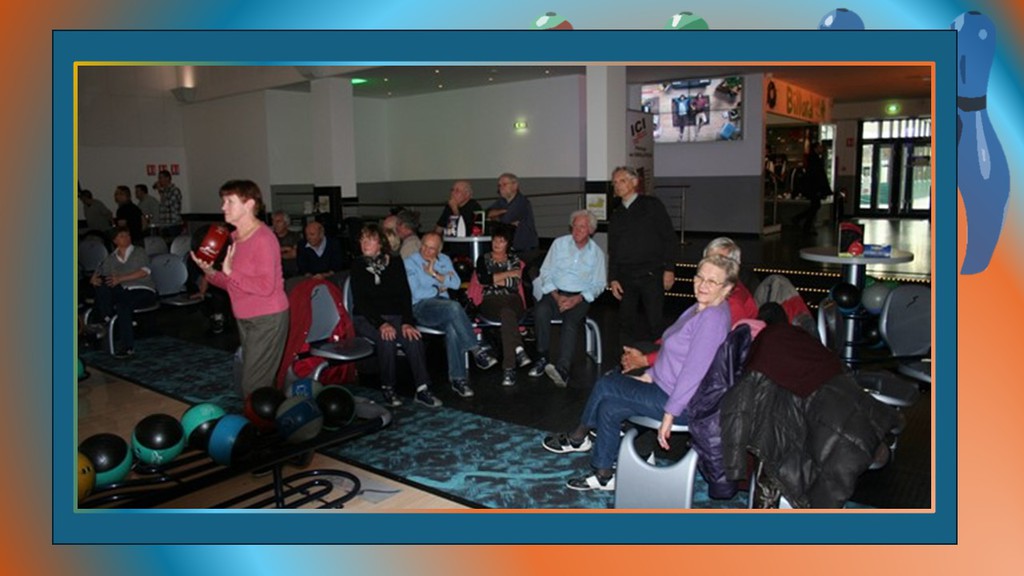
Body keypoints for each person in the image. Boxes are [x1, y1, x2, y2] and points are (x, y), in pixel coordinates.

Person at [542, 254, 736, 491]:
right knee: (610, 407)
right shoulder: (700, 308)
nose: (703, 285)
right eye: (700, 277)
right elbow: (674, 355)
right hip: (665, 388)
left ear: (726, 288)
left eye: (712, 281)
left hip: (680, 402)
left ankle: (578, 437)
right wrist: (650, 374)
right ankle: (604, 474)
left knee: (607, 384)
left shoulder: (711, 319)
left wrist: (670, 414)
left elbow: (694, 373)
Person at [190, 180, 289, 397]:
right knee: (260, 382)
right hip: (245, 317)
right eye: (223, 201)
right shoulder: (233, 238)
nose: (223, 207)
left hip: (267, 319)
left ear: (249, 204)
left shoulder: (263, 238)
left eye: (229, 201)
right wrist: (209, 271)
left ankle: (265, 417)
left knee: (253, 386)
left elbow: (265, 287)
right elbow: (232, 285)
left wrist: (230, 271)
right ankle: (272, 415)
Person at [350, 223, 441, 408]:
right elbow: (361, 302)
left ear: (380, 244)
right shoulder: (358, 265)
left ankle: (422, 388)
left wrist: (407, 322)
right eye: (363, 240)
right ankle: (388, 387)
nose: (365, 244)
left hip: (395, 316)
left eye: (370, 240)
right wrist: (381, 324)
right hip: (367, 318)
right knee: (387, 337)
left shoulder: (396, 263)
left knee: (413, 337)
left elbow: (404, 295)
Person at [405, 232, 498, 398]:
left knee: (453, 328)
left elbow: (455, 284)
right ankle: (476, 350)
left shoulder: (444, 260)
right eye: (424, 246)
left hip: (443, 306)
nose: (426, 251)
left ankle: (458, 380)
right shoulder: (410, 262)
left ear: (438, 250)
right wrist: (437, 287)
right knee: (454, 307)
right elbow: (417, 293)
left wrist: (434, 274)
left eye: (431, 248)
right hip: (421, 307)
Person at [527, 210, 606, 388]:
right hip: (555, 292)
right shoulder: (559, 244)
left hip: (579, 297)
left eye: (582, 227)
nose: (577, 230)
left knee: (570, 322)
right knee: (541, 311)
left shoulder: (597, 254)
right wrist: (556, 296)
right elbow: (546, 271)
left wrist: (577, 299)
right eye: (574, 226)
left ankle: (562, 369)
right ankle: (542, 357)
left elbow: (599, 284)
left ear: (591, 230)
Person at [607, 166, 677, 346]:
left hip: (651, 273)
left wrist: (669, 269)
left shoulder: (651, 205)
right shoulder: (617, 214)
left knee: (655, 321)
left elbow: (669, 237)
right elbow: (613, 249)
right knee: (626, 322)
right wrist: (613, 278)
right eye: (615, 182)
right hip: (626, 276)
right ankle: (626, 357)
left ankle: (660, 358)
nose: (617, 186)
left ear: (635, 182)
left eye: (622, 181)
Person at [474, 223, 532, 386]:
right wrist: (508, 274)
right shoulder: (483, 259)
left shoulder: (514, 259)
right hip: (490, 302)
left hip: (513, 300)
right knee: (507, 313)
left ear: (508, 244)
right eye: (495, 240)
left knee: (508, 309)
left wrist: (494, 279)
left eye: (501, 241)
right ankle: (516, 354)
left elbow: (514, 284)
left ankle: (510, 367)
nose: (497, 244)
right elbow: (483, 280)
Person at [88, 226, 158, 358]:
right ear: (115, 240)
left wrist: (120, 278)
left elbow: (144, 272)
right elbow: (101, 271)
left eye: (127, 235)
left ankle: (126, 345)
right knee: (101, 284)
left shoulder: (139, 252)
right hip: (123, 290)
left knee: (122, 305)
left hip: (142, 288)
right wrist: (94, 278)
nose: (127, 238)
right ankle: (106, 317)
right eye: (122, 236)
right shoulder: (111, 258)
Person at [701, 236, 759, 325]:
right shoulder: (720, 289)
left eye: (719, 263)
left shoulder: (732, 302)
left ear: (733, 267)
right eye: (707, 261)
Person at [486, 173, 538, 254]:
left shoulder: (521, 202)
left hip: (525, 249)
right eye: (499, 185)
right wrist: (504, 211)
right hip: (510, 249)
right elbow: (486, 213)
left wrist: (494, 218)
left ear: (515, 186)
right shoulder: (501, 201)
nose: (501, 188)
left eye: (504, 184)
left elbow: (506, 219)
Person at [793, 142, 831, 236]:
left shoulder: (812, 159)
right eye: (820, 147)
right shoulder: (815, 160)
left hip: (813, 188)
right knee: (815, 206)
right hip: (814, 188)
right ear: (816, 148)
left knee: (815, 206)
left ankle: (802, 222)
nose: (821, 149)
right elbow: (818, 176)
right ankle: (803, 223)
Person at [153, 169, 183, 240]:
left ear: (167, 178)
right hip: (165, 224)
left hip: (173, 224)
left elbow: (167, 204)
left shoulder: (174, 190)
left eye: (161, 178)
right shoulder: (165, 191)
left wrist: (160, 191)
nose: (159, 180)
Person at [271, 210, 301, 279]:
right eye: (273, 221)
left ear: (286, 223)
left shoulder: (295, 236)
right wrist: (286, 249)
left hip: (293, 273)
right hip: (275, 274)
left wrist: (277, 253)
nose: (275, 224)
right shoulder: (270, 237)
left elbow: (294, 253)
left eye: (278, 221)